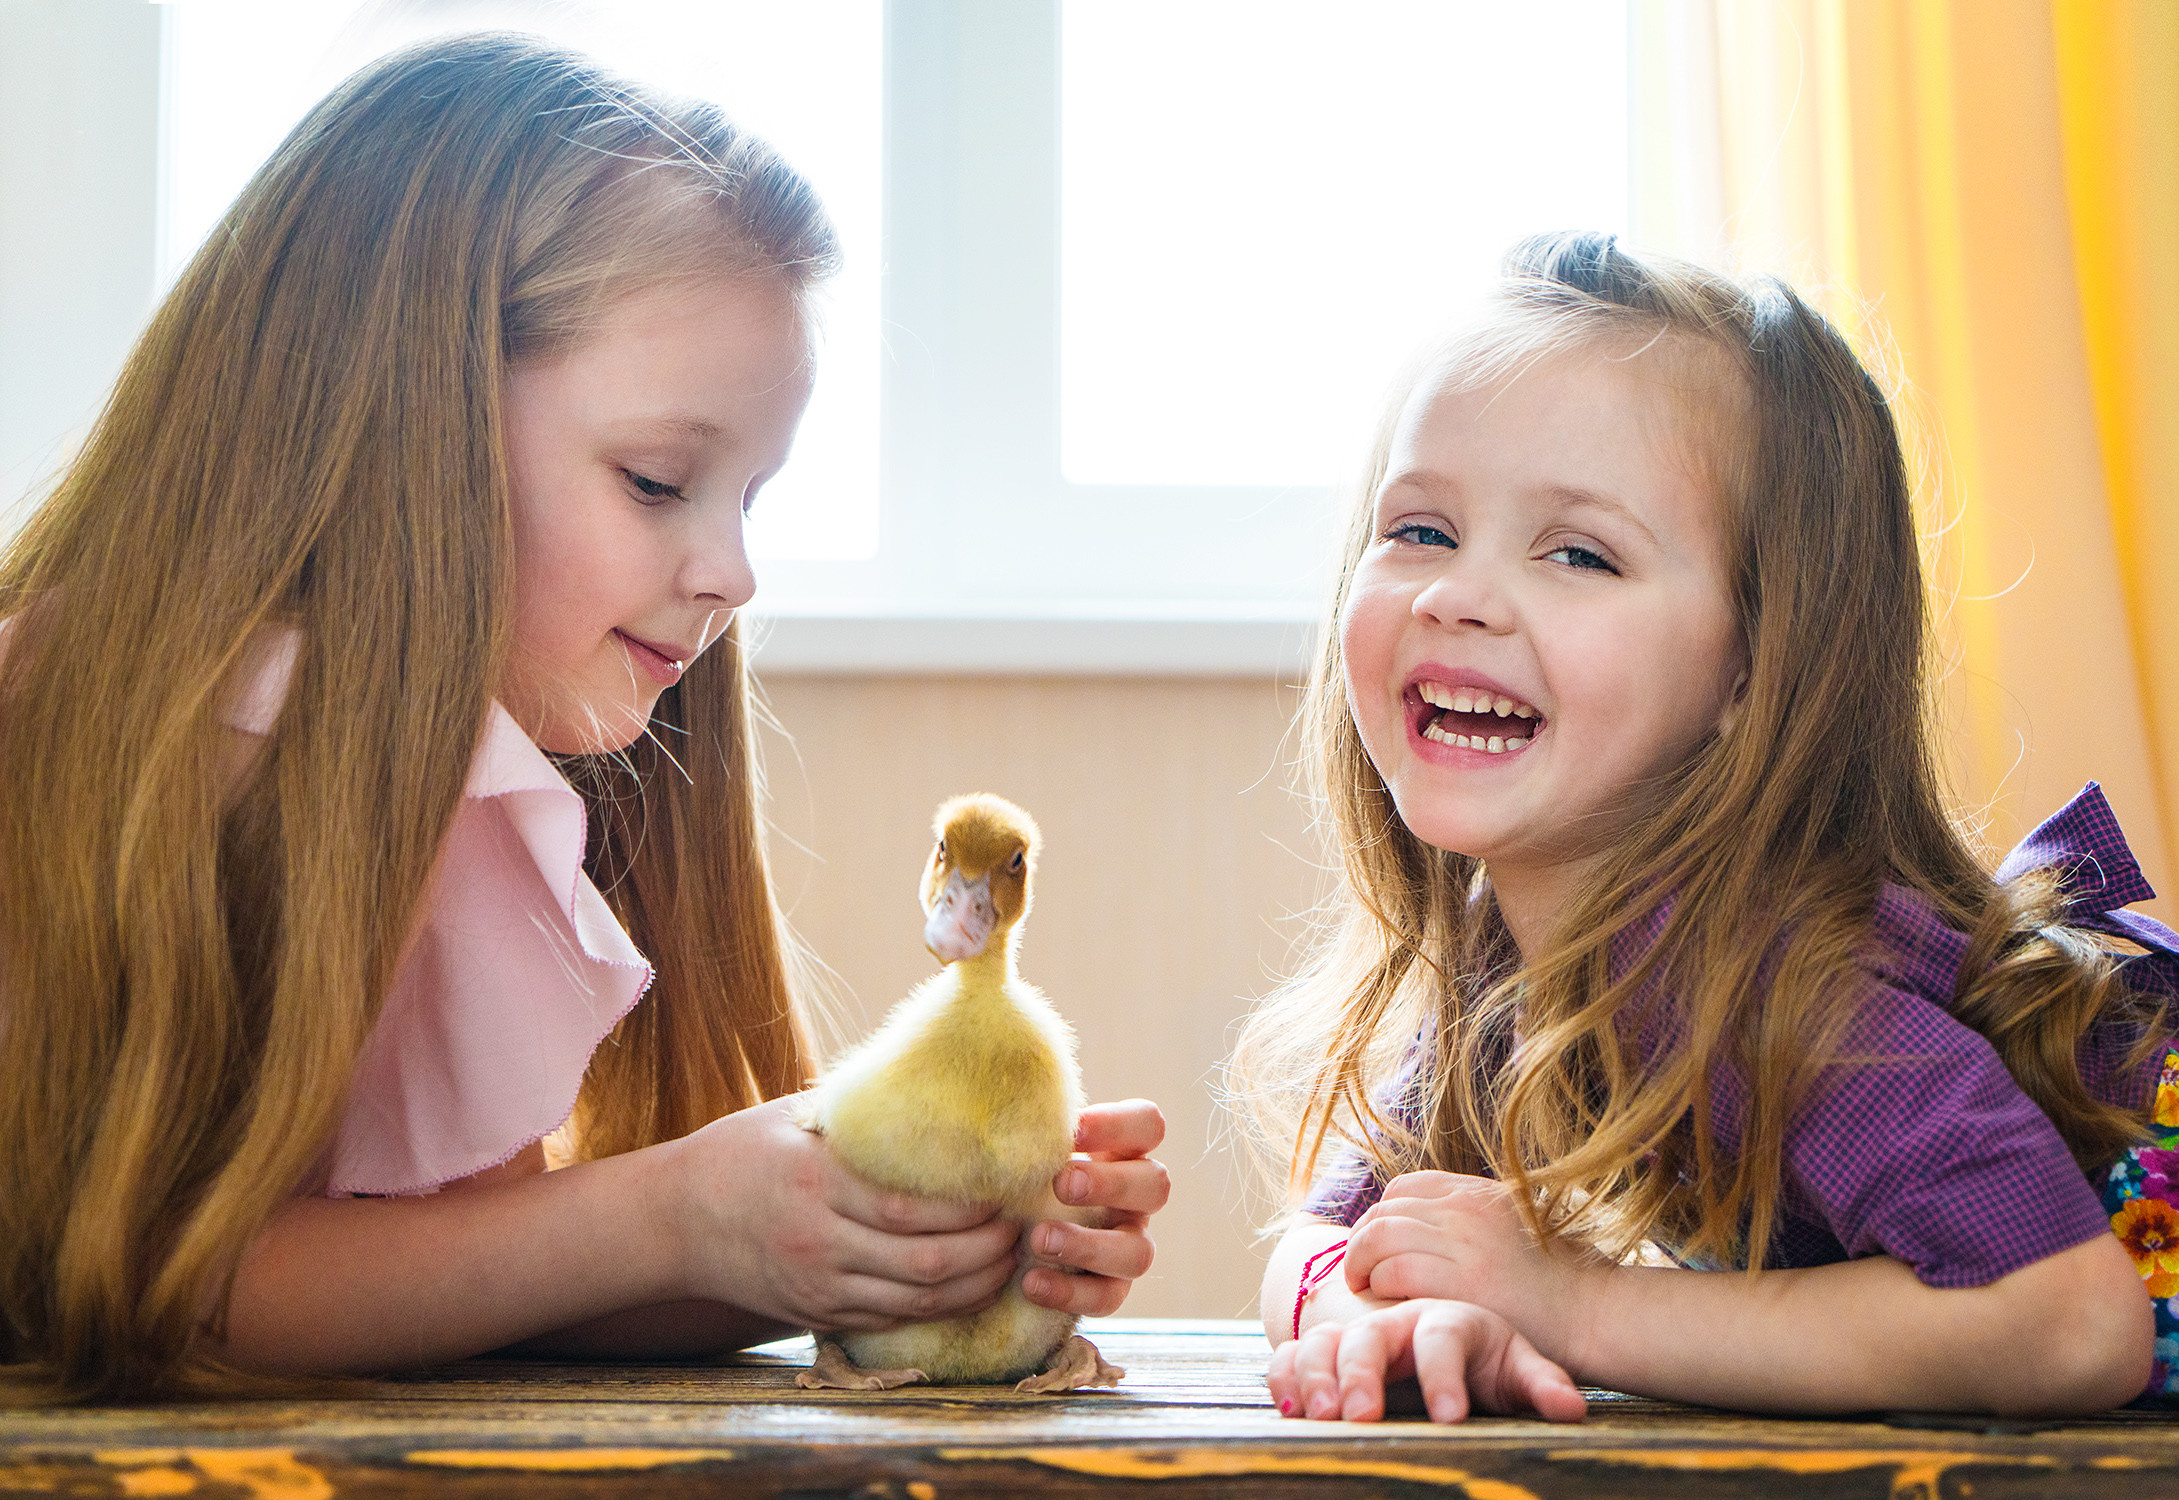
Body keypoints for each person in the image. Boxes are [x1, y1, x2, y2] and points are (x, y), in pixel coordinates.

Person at [0, 33, 1166, 1403]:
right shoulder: (182, 736)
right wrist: (672, 1214)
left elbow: (444, 1283)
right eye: (660, 480)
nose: (733, 571)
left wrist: (849, 1230)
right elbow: (156, 1284)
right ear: (404, 411)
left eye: (750, 498)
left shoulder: (448, 773)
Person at [1237, 231, 2178, 1425]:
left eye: (1577, 552)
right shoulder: (1515, 947)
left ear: (1752, 669)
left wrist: (1571, 1306)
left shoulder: (1778, 985)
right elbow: (1324, 1240)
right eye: (1421, 531)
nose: (1455, 595)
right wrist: (1380, 1317)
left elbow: (2068, 1323)